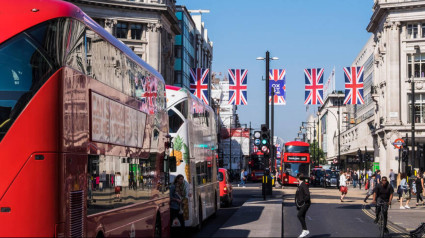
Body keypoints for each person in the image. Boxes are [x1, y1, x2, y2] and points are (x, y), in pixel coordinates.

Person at [295, 173, 311, 238]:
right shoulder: (300, 185)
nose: (296, 179)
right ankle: (304, 231)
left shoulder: (303, 185)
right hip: (301, 204)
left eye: (296, 178)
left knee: (299, 215)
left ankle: (305, 230)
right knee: (302, 216)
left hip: (305, 204)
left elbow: (307, 195)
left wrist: (302, 201)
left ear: (298, 178)